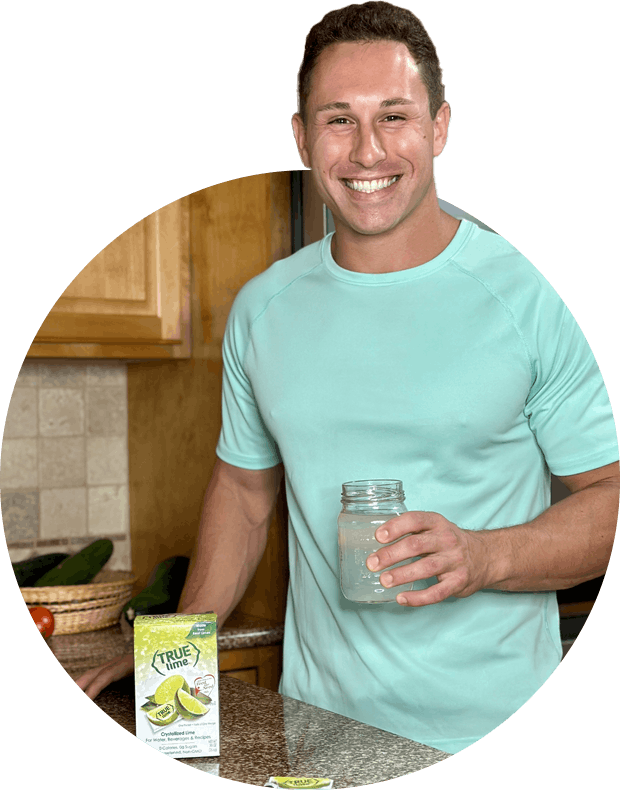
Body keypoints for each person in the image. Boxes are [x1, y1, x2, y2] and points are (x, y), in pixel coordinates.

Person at [76, 1, 619, 755]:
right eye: (339, 120)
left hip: (494, 732)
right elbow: (242, 493)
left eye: (395, 116)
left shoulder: (531, 296)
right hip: (320, 734)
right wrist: (173, 648)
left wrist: (484, 555)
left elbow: (609, 498)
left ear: (440, 127)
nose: (367, 152)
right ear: (302, 136)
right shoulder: (263, 308)